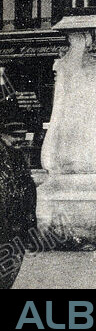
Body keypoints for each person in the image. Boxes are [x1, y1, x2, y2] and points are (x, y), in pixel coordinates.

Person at [0, 122, 36, 290]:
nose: (20, 140)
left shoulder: (19, 157)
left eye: (22, 136)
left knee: (12, 264)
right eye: (15, 136)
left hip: (18, 221)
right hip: (4, 221)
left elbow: (28, 188)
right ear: (3, 136)